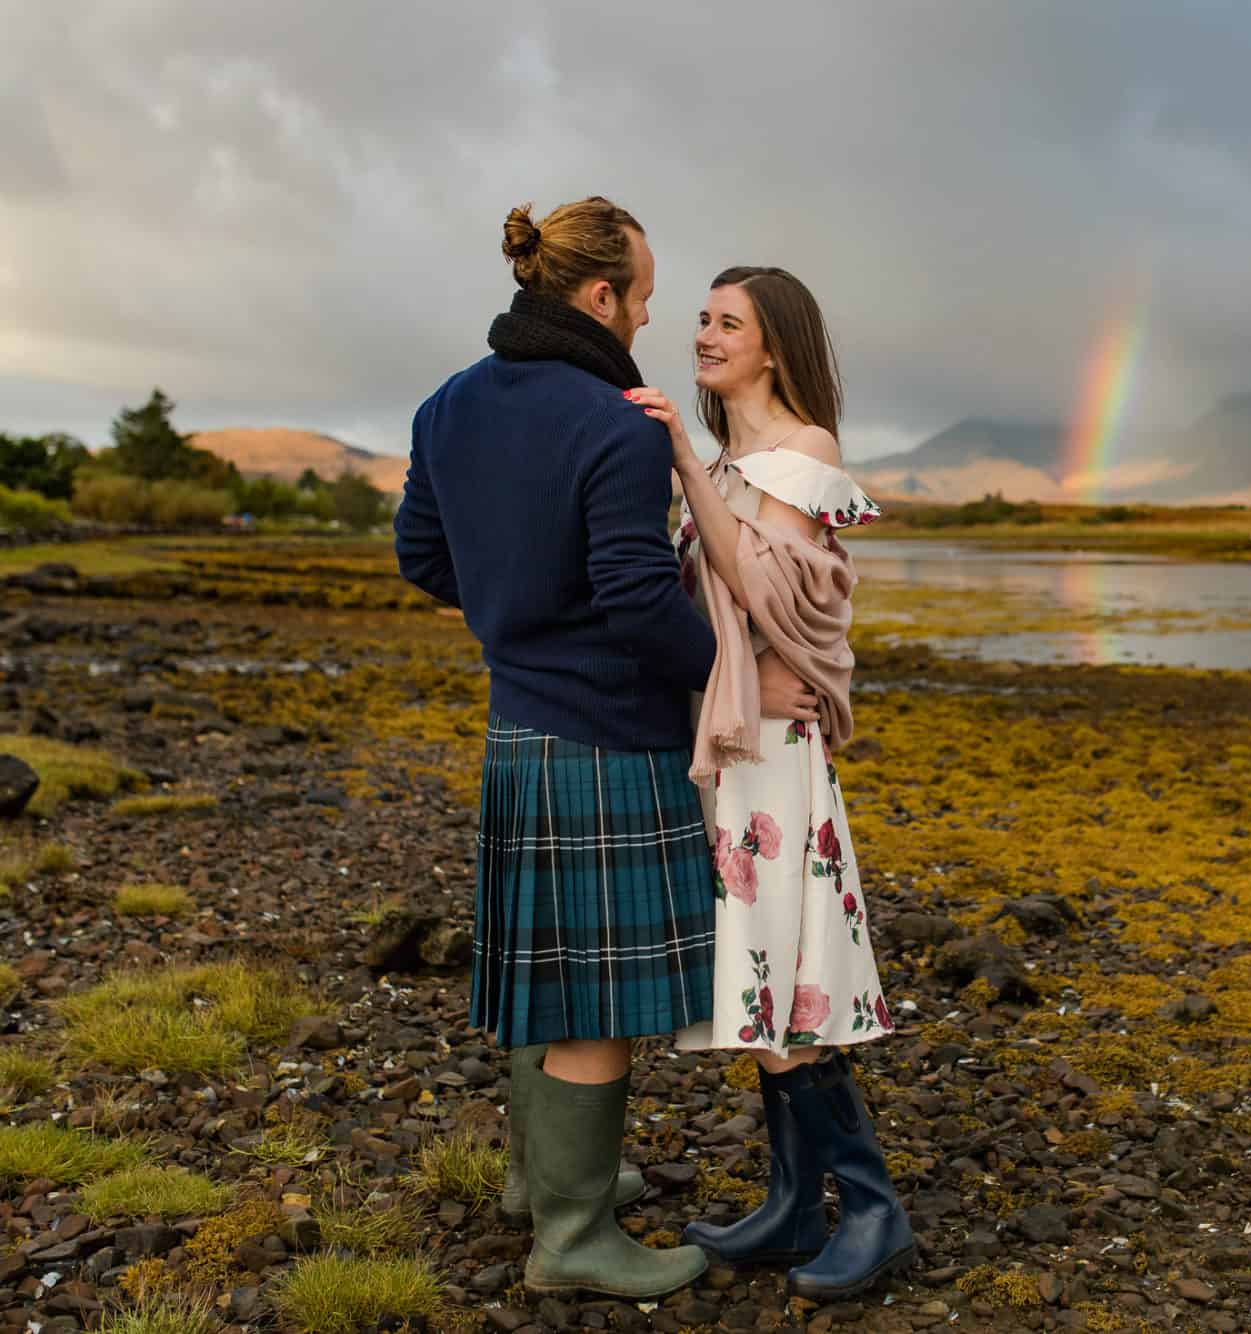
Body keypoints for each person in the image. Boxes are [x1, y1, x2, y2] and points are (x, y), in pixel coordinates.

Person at [394, 200, 817, 1300]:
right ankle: (574, 1236)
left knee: (543, 972)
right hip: (607, 735)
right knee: (597, 999)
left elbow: (421, 556)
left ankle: (542, 1182)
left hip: (515, 726)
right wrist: (724, 675)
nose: (648, 313)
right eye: (640, 292)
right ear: (596, 297)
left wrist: (512, 614)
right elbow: (637, 597)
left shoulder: (447, 404)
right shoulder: (614, 421)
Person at [626, 266, 914, 1301]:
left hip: (774, 758)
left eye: (726, 322)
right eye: (699, 317)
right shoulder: (728, 457)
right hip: (734, 740)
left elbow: (764, 593)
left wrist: (678, 464)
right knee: (763, 981)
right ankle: (796, 1203)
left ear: (773, 347)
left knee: (788, 986)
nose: (702, 334)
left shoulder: (802, 452)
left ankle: (873, 1209)